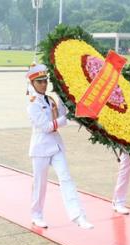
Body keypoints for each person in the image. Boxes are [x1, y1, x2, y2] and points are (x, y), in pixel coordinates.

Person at [26, 64, 93, 229]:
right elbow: (46, 126)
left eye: (45, 81)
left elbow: (62, 115)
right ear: (32, 83)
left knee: (66, 178)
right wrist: (64, 120)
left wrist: (63, 98)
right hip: (41, 148)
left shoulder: (50, 99)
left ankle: (78, 216)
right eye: (40, 81)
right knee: (40, 184)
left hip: (56, 146)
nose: (44, 84)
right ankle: (36, 214)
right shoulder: (32, 103)